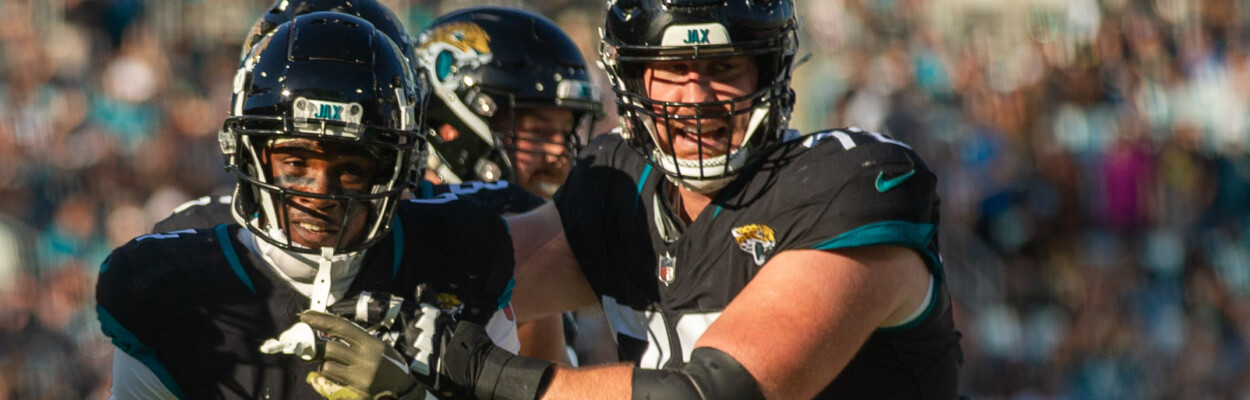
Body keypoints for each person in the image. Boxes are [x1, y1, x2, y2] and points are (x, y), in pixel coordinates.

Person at [420, 1, 965, 399]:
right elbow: (479, 269)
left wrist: (489, 376)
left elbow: (718, 392)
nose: (696, 98)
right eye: (674, 70)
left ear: (769, 70)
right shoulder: (621, 183)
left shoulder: (847, 182)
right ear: (634, 77)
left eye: (723, 68)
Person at [96, 13, 519, 399]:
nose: (320, 194)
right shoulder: (171, 286)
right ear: (251, 155)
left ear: (394, 169)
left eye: (351, 168)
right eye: (296, 162)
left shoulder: (462, 258)